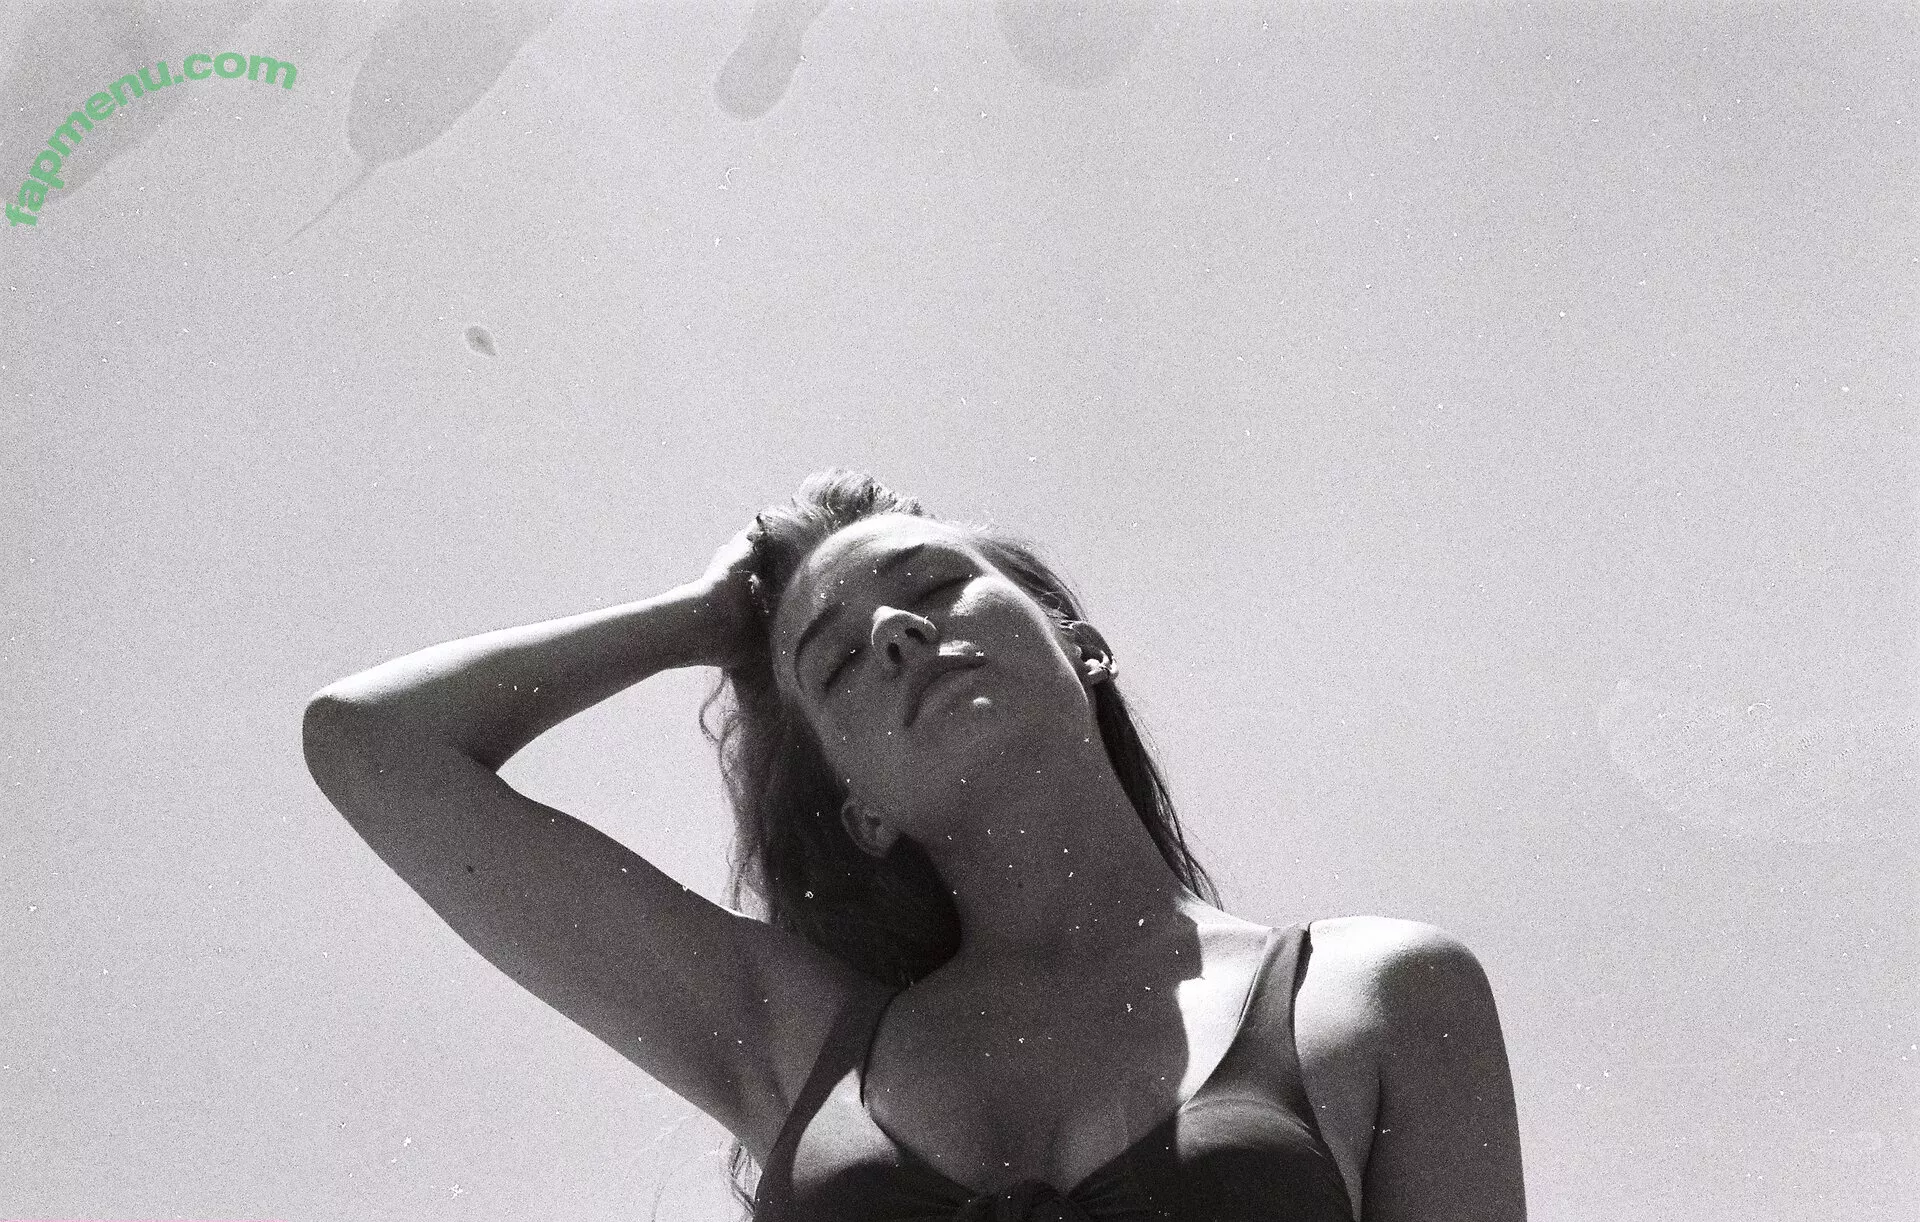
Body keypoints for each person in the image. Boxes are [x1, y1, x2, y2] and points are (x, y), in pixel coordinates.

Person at [302, 469, 1525, 1221]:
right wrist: (701, 622)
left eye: (935, 587)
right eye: (837, 660)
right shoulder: (800, 1045)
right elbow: (371, 743)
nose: (895, 630)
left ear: (1080, 643)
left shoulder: (1369, 994)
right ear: (860, 808)